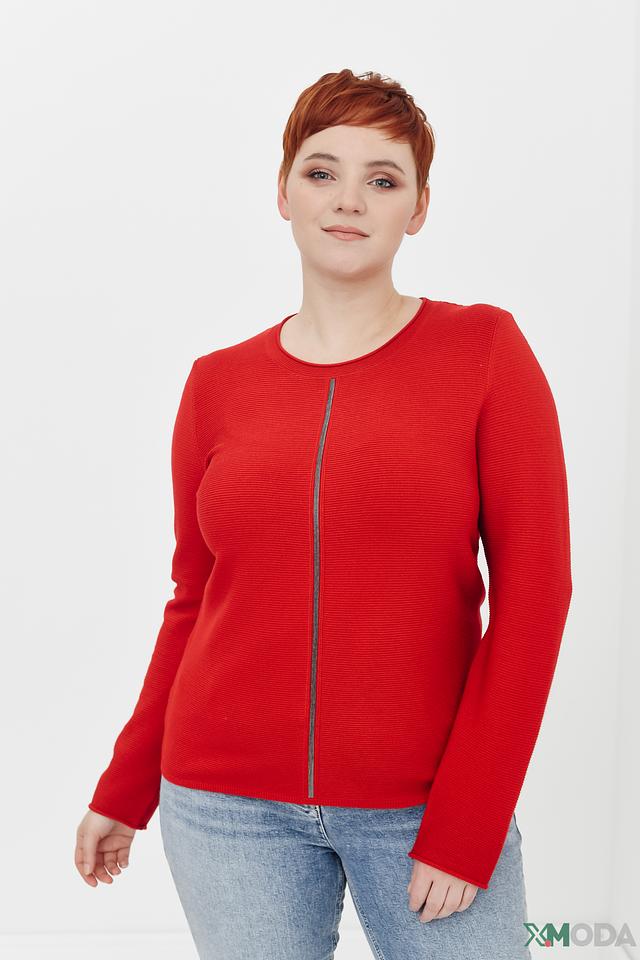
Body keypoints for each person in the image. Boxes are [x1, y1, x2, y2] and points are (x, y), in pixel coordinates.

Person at [75, 68, 572, 959]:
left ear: (418, 208)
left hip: (423, 807)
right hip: (224, 810)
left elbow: (536, 596)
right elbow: (195, 598)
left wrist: (469, 821)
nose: (349, 200)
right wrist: (126, 785)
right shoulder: (217, 383)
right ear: (283, 193)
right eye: (321, 172)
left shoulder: (484, 351)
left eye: (382, 178)